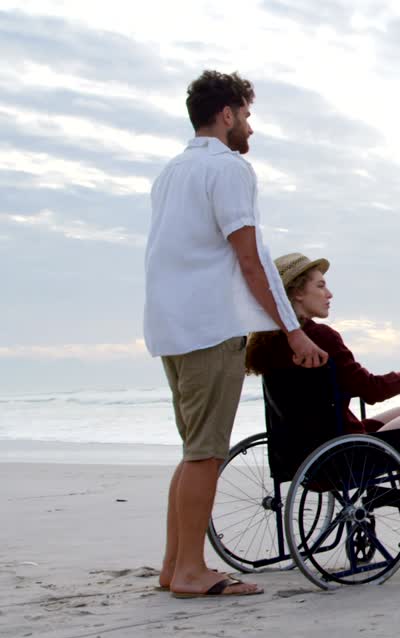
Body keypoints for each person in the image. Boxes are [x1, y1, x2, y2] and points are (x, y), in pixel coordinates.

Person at [143, 70, 328, 599]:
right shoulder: (228, 170)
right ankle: (190, 572)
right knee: (206, 453)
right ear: (226, 114)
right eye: (246, 115)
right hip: (207, 325)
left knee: (193, 450)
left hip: (169, 324)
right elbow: (251, 260)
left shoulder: (171, 171)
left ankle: (174, 565)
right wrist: (293, 332)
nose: (249, 126)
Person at [245, 253, 400, 540]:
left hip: (299, 456)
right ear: (297, 294)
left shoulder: (267, 345)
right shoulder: (321, 337)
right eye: (320, 286)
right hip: (340, 455)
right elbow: (371, 389)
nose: (329, 294)